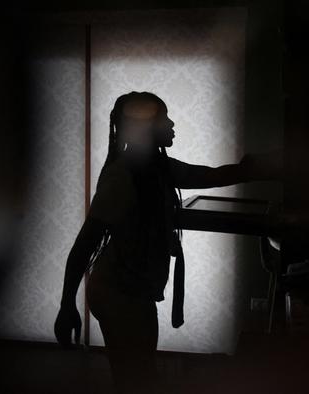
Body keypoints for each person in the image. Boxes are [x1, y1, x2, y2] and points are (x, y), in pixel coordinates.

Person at [54, 91, 279, 394]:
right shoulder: (121, 178)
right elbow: (84, 245)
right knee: (136, 378)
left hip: (133, 291)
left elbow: (210, 176)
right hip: (117, 294)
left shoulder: (158, 168)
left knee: (138, 376)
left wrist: (253, 168)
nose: (172, 123)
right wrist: (67, 304)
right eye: (164, 118)